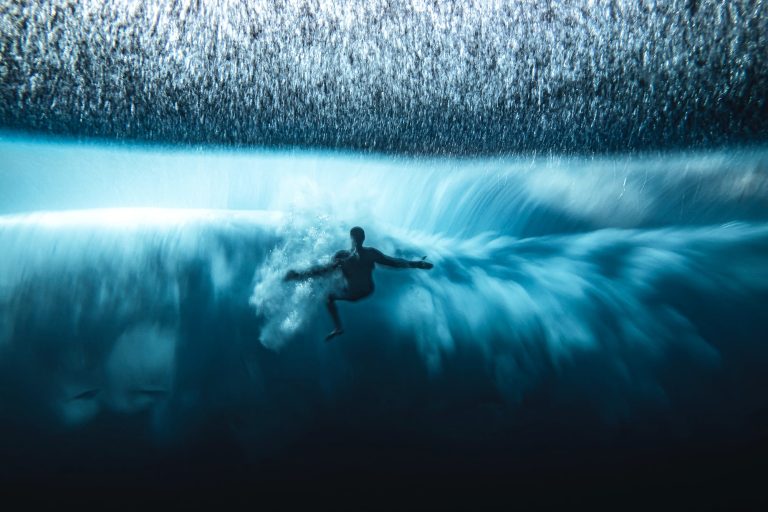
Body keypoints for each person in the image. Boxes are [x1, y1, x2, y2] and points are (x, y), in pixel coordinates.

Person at [284, 226, 433, 341]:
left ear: (352, 238)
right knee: (331, 278)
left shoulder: (345, 257)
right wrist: (416, 264)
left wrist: (298, 275)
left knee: (328, 295)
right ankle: (338, 326)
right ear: (362, 238)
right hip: (367, 290)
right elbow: (393, 262)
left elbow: (393, 262)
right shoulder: (367, 254)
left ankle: (338, 328)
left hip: (354, 293)